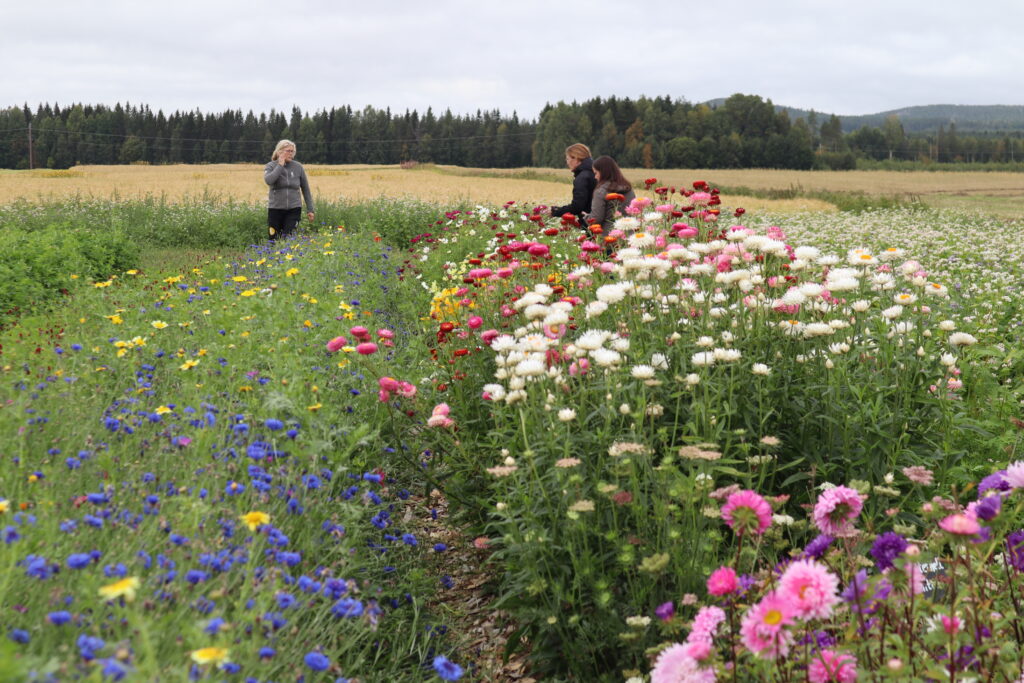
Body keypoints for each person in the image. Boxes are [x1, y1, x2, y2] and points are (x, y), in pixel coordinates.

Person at [264, 139, 315, 240]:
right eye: (288, 151)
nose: (291, 153)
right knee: (273, 239)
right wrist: (280, 165)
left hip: (294, 209)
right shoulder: (270, 166)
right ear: (280, 152)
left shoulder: (298, 167)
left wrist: (310, 209)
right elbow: (269, 180)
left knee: (289, 238)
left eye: (292, 151)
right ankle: (273, 255)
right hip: (275, 209)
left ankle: (289, 255)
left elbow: (306, 189)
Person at [587, 155, 635, 233]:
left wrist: (586, 217)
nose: (595, 177)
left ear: (603, 172)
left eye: (596, 173)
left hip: (609, 237)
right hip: (629, 235)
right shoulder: (628, 189)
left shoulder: (601, 191)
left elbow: (596, 219)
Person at [549, 143, 596, 223]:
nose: (567, 163)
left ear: (576, 158)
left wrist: (555, 211)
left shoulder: (582, 178)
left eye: (567, 159)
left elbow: (577, 207)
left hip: (591, 223)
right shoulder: (595, 172)